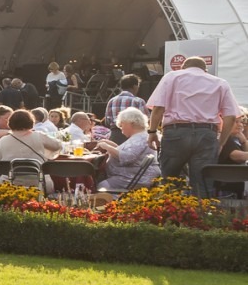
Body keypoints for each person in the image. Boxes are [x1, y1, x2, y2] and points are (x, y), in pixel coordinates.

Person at [147, 56, 243, 193]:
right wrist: (220, 142)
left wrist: (152, 132)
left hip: (176, 133)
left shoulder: (172, 77)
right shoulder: (220, 83)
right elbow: (231, 117)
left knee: (168, 181)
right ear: (205, 70)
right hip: (207, 135)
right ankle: (201, 212)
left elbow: (158, 108)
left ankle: (168, 211)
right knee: (202, 184)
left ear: (182, 67)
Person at [93, 108, 160, 194]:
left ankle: (112, 205)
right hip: (133, 176)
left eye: (122, 125)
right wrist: (110, 144)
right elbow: (129, 152)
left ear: (130, 123)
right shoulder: (140, 136)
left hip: (134, 178)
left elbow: (127, 157)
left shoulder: (141, 138)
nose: (121, 129)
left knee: (101, 186)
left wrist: (106, 146)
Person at [0, 109, 63, 189]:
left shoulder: (2, 141)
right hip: (37, 182)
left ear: (10, 122)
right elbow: (58, 146)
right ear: (31, 122)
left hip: (9, 184)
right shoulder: (39, 136)